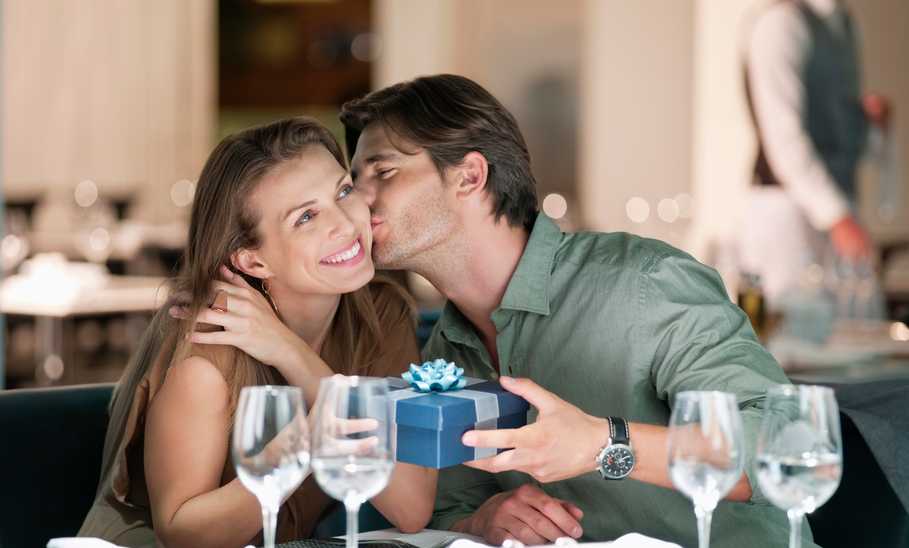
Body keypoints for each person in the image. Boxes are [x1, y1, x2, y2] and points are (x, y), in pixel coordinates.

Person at [335, 74, 815, 547]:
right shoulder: (444, 352)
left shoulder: (643, 282)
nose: (358, 200)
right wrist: (481, 521)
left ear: (469, 176)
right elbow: (447, 505)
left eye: (384, 172)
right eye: (354, 181)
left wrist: (603, 444)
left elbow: (787, 444)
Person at [78, 117, 437, 547]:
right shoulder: (212, 343)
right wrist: (306, 440)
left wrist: (292, 355)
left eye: (343, 190)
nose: (344, 222)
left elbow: (412, 507)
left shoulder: (381, 314)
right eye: (306, 217)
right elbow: (181, 535)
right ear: (252, 262)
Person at [740, 0, 892, 306]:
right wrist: (837, 217)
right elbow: (783, 135)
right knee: (787, 331)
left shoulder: (845, 24)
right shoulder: (780, 23)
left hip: (837, 209)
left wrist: (869, 125)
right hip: (785, 214)